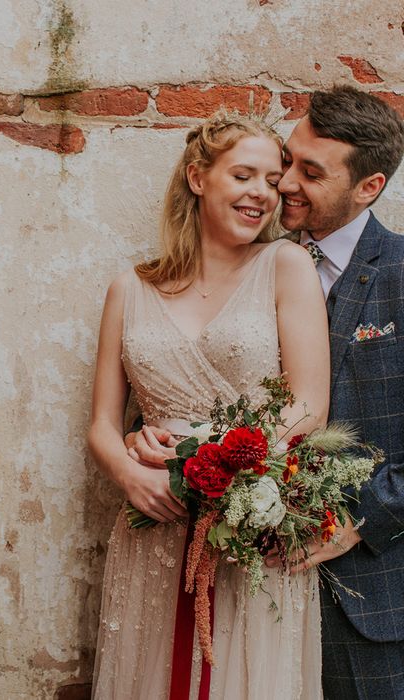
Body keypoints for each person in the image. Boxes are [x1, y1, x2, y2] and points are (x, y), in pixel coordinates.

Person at [129, 86, 404, 699]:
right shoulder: (252, 264)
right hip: (248, 588)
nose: (283, 186)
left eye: (310, 173)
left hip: (371, 599)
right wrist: (150, 440)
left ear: (369, 187)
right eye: (289, 162)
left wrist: (362, 519)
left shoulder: (402, 276)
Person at [88, 111, 330, 699]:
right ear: (198, 178)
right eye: (243, 175)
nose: (261, 195)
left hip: (252, 524)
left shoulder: (285, 266)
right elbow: (100, 422)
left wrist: (231, 475)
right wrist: (127, 470)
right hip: (155, 520)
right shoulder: (129, 288)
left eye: (272, 182)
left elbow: (308, 404)